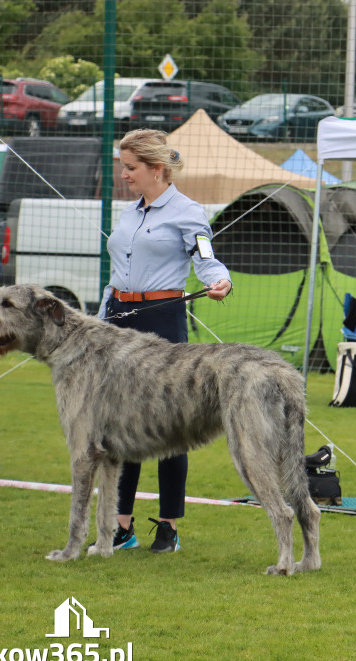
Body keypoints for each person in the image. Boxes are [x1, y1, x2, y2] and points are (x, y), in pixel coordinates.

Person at [97, 129, 232, 553]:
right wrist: (100, 322)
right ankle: (121, 527)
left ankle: (169, 526)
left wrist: (219, 281)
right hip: (118, 321)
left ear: (157, 169)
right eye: (123, 166)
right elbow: (118, 273)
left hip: (163, 321)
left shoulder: (188, 212)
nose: (124, 175)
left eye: (131, 167)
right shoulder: (127, 214)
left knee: (171, 425)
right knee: (119, 425)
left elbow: (205, 257)